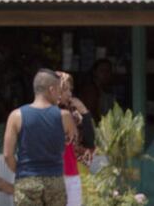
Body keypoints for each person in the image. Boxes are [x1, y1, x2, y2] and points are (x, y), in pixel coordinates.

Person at [3, 69, 77, 206]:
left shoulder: (16, 116)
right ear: (52, 89)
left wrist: (21, 171)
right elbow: (72, 141)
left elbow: (8, 155)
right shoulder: (64, 116)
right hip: (55, 179)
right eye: (59, 91)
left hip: (27, 180)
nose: (60, 95)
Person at [56, 71, 95, 206]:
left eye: (70, 90)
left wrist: (84, 111)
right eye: (65, 89)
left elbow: (89, 141)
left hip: (75, 167)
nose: (69, 94)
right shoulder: (46, 112)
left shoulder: (75, 113)